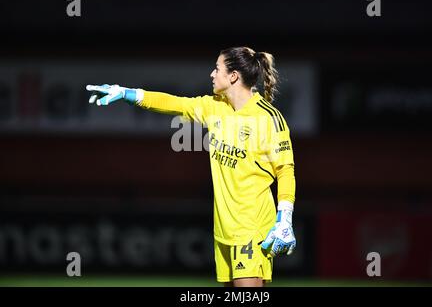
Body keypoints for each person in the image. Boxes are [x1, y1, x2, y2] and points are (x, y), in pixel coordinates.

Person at [86, 46, 297, 287]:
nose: (211, 74)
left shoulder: (268, 118)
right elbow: (175, 104)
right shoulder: (215, 107)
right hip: (224, 229)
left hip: (251, 228)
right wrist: (127, 93)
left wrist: (285, 218)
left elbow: (285, 170)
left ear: (233, 76)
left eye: (217, 69)